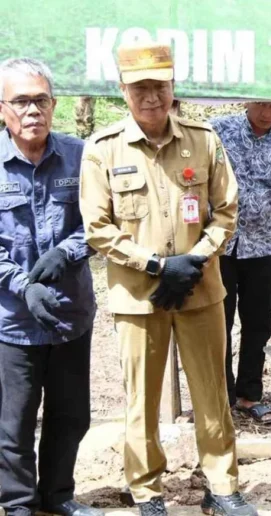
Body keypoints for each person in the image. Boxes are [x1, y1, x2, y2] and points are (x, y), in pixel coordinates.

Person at [79, 42, 255, 516]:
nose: (151, 96)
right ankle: (148, 493)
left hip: (201, 290)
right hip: (139, 296)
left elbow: (226, 212)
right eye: (140, 88)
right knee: (142, 399)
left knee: (212, 394)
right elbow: (98, 227)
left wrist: (193, 261)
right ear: (123, 91)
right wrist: (157, 266)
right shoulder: (102, 150)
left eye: (159, 85)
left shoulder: (203, 140)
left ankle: (221, 487)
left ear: (172, 86)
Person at [0, 58, 100, 516]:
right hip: (12, 322)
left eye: (41, 100)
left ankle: (58, 495)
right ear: (3, 109)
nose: (32, 110)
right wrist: (22, 285)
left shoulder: (81, 156)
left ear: (54, 105)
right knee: (14, 424)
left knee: (71, 414)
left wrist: (69, 252)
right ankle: (18, 504)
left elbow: (102, 221)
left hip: (69, 313)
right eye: (21, 101)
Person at [210, 102, 271, 425]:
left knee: (258, 325)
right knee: (216, 325)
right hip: (218, 248)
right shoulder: (217, 131)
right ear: (248, 100)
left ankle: (249, 396)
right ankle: (219, 397)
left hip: (261, 249)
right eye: (262, 104)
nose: (267, 112)